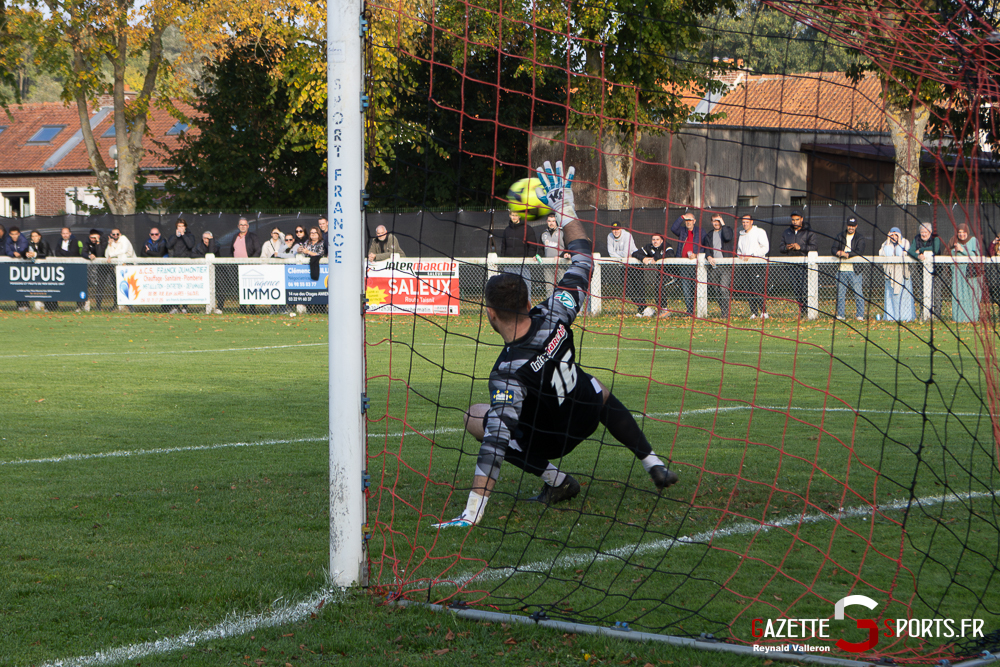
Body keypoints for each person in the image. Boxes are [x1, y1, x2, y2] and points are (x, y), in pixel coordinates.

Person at [433, 161, 678, 529]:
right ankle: (653, 463)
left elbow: (494, 446)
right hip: (586, 413)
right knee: (598, 387)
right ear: (526, 302)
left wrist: (471, 513)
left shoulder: (507, 370)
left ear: (491, 314)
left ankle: (557, 480)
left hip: (550, 440)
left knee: (476, 417)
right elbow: (582, 257)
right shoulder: (556, 311)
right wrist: (566, 211)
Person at [778, 210, 816, 318]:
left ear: (802, 219)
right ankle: (803, 311)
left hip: (805, 266)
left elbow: (814, 247)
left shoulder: (809, 232)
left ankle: (810, 311)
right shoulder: (786, 232)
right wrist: (787, 247)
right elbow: (781, 248)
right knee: (796, 290)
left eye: (797, 219)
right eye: (793, 220)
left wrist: (801, 247)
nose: (795, 222)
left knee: (805, 289)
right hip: (791, 266)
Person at [670, 212, 706, 317]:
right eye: (686, 220)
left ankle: (700, 311)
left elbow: (705, 245)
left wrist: (697, 255)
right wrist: (682, 217)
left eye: (690, 220)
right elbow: (673, 228)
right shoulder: (682, 231)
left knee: (697, 288)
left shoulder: (700, 231)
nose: (688, 222)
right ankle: (690, 311)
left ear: (694, 221)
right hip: (684, 265)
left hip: (696, 264)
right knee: (686, 288)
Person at [831, 218, 866, 321]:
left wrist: (847, 254)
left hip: (855, 270)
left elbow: (860, 251)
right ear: (847, 225)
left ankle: (860, 315)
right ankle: (840, 315)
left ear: (856, 226)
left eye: (853, 225)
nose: (851, 227)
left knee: (858, 293)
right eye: (849, 225)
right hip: (841, 270)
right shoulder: (840, 236)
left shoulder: (860, 238)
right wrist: (838, 253)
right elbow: (833, 248)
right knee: (840, 294)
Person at [631, 233, 674, 317]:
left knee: (660, 285)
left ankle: (664, 309)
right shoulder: (649, 247)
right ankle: (660, 309)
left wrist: (657, 257)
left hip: (671, 272)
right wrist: (643, 258)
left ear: (661, 240)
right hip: (660, 273)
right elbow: (635, 253)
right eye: (653, 239)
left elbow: (670, 254)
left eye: (657, 239)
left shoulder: (667, 246)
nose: (655, 241)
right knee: (657, 286)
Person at [736, 214, 770, 319]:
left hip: (757, 265)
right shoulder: (741, 234)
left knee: (757, 289)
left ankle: (764, 312)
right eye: (743, 222)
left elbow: (765, 248)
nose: (745, 224)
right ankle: (754, 313)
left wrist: (752, 256)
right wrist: (740, 256)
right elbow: (739, 251)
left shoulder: (760, 232)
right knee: (748, 289)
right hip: (745, 266)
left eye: (747, 222)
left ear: (752, 222)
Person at [702, 213, 734, 318]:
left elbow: (728, 237)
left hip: (725, 266)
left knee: (724, 289)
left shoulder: (727, 230)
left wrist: (723, 223)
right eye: (714, 221)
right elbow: (707, 249)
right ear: (711, 222)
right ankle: (723, 312)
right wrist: (709, 257)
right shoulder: (709, 235)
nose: (716, 223)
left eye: (718, 221)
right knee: (716, 291)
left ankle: (726, 312)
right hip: (714, 267)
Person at [879, 227, 914, 322]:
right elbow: (888, 254)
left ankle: (905, 317)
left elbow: (899, 253)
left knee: (904, 297)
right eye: (892, 235)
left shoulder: (905, 242)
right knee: (890, 297)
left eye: (896, 235)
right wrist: (887, 241)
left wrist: (899, 242)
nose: (894, 237)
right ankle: (892, 317)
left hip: (902, 275)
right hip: (890, 275)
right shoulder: (885, 244)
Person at [908, 222, 942, 319]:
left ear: (930, 232)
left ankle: (937, 315)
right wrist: (918, 256)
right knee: (922, 292)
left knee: (937, 294)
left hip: (936, 271)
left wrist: (921, 250)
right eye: (922, 232)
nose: (923, 234)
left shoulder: (936, 238)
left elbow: (935, 249)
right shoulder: (916, 238)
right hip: (921, 271)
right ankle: (924, 314)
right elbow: (911, 251)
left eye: (926, 232)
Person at [949, 223, 981, 323]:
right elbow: (947, 254)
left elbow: (976, 256)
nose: (961, 235)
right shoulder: (953, 240)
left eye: (964, 232)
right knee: (959, 295)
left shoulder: (973, 240)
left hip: (972, 274)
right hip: (958, 273)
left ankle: (972, 318)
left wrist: (962, 250)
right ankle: (959, 318)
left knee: (973, 295)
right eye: (959, 232)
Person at [540, 213, 570, 294]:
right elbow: (540, 249)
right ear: (547, 221)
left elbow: (567, 247)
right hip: (548, 266)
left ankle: (562, 306)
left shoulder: (562, 232)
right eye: (549, 221)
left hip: (561, 265)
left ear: (556, 221)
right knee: (549, 288)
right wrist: (538, 256)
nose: (551, 223)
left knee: (562, 288)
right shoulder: (543, 234)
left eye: (553, 221)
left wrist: (560, 256)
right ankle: (550, 306)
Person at [85, 229, 108, 311]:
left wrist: (98, 243)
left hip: (109, 266)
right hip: (100, 267)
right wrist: (89, 255)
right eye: (92, 238)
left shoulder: (104, 241)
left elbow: (99, 253)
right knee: (100, 286)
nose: (93, 239)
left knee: (114, 284)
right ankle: (98, 306)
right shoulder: (88, 242)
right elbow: (83, 252)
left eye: (95, 238)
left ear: (99, 237)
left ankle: (116, 305)